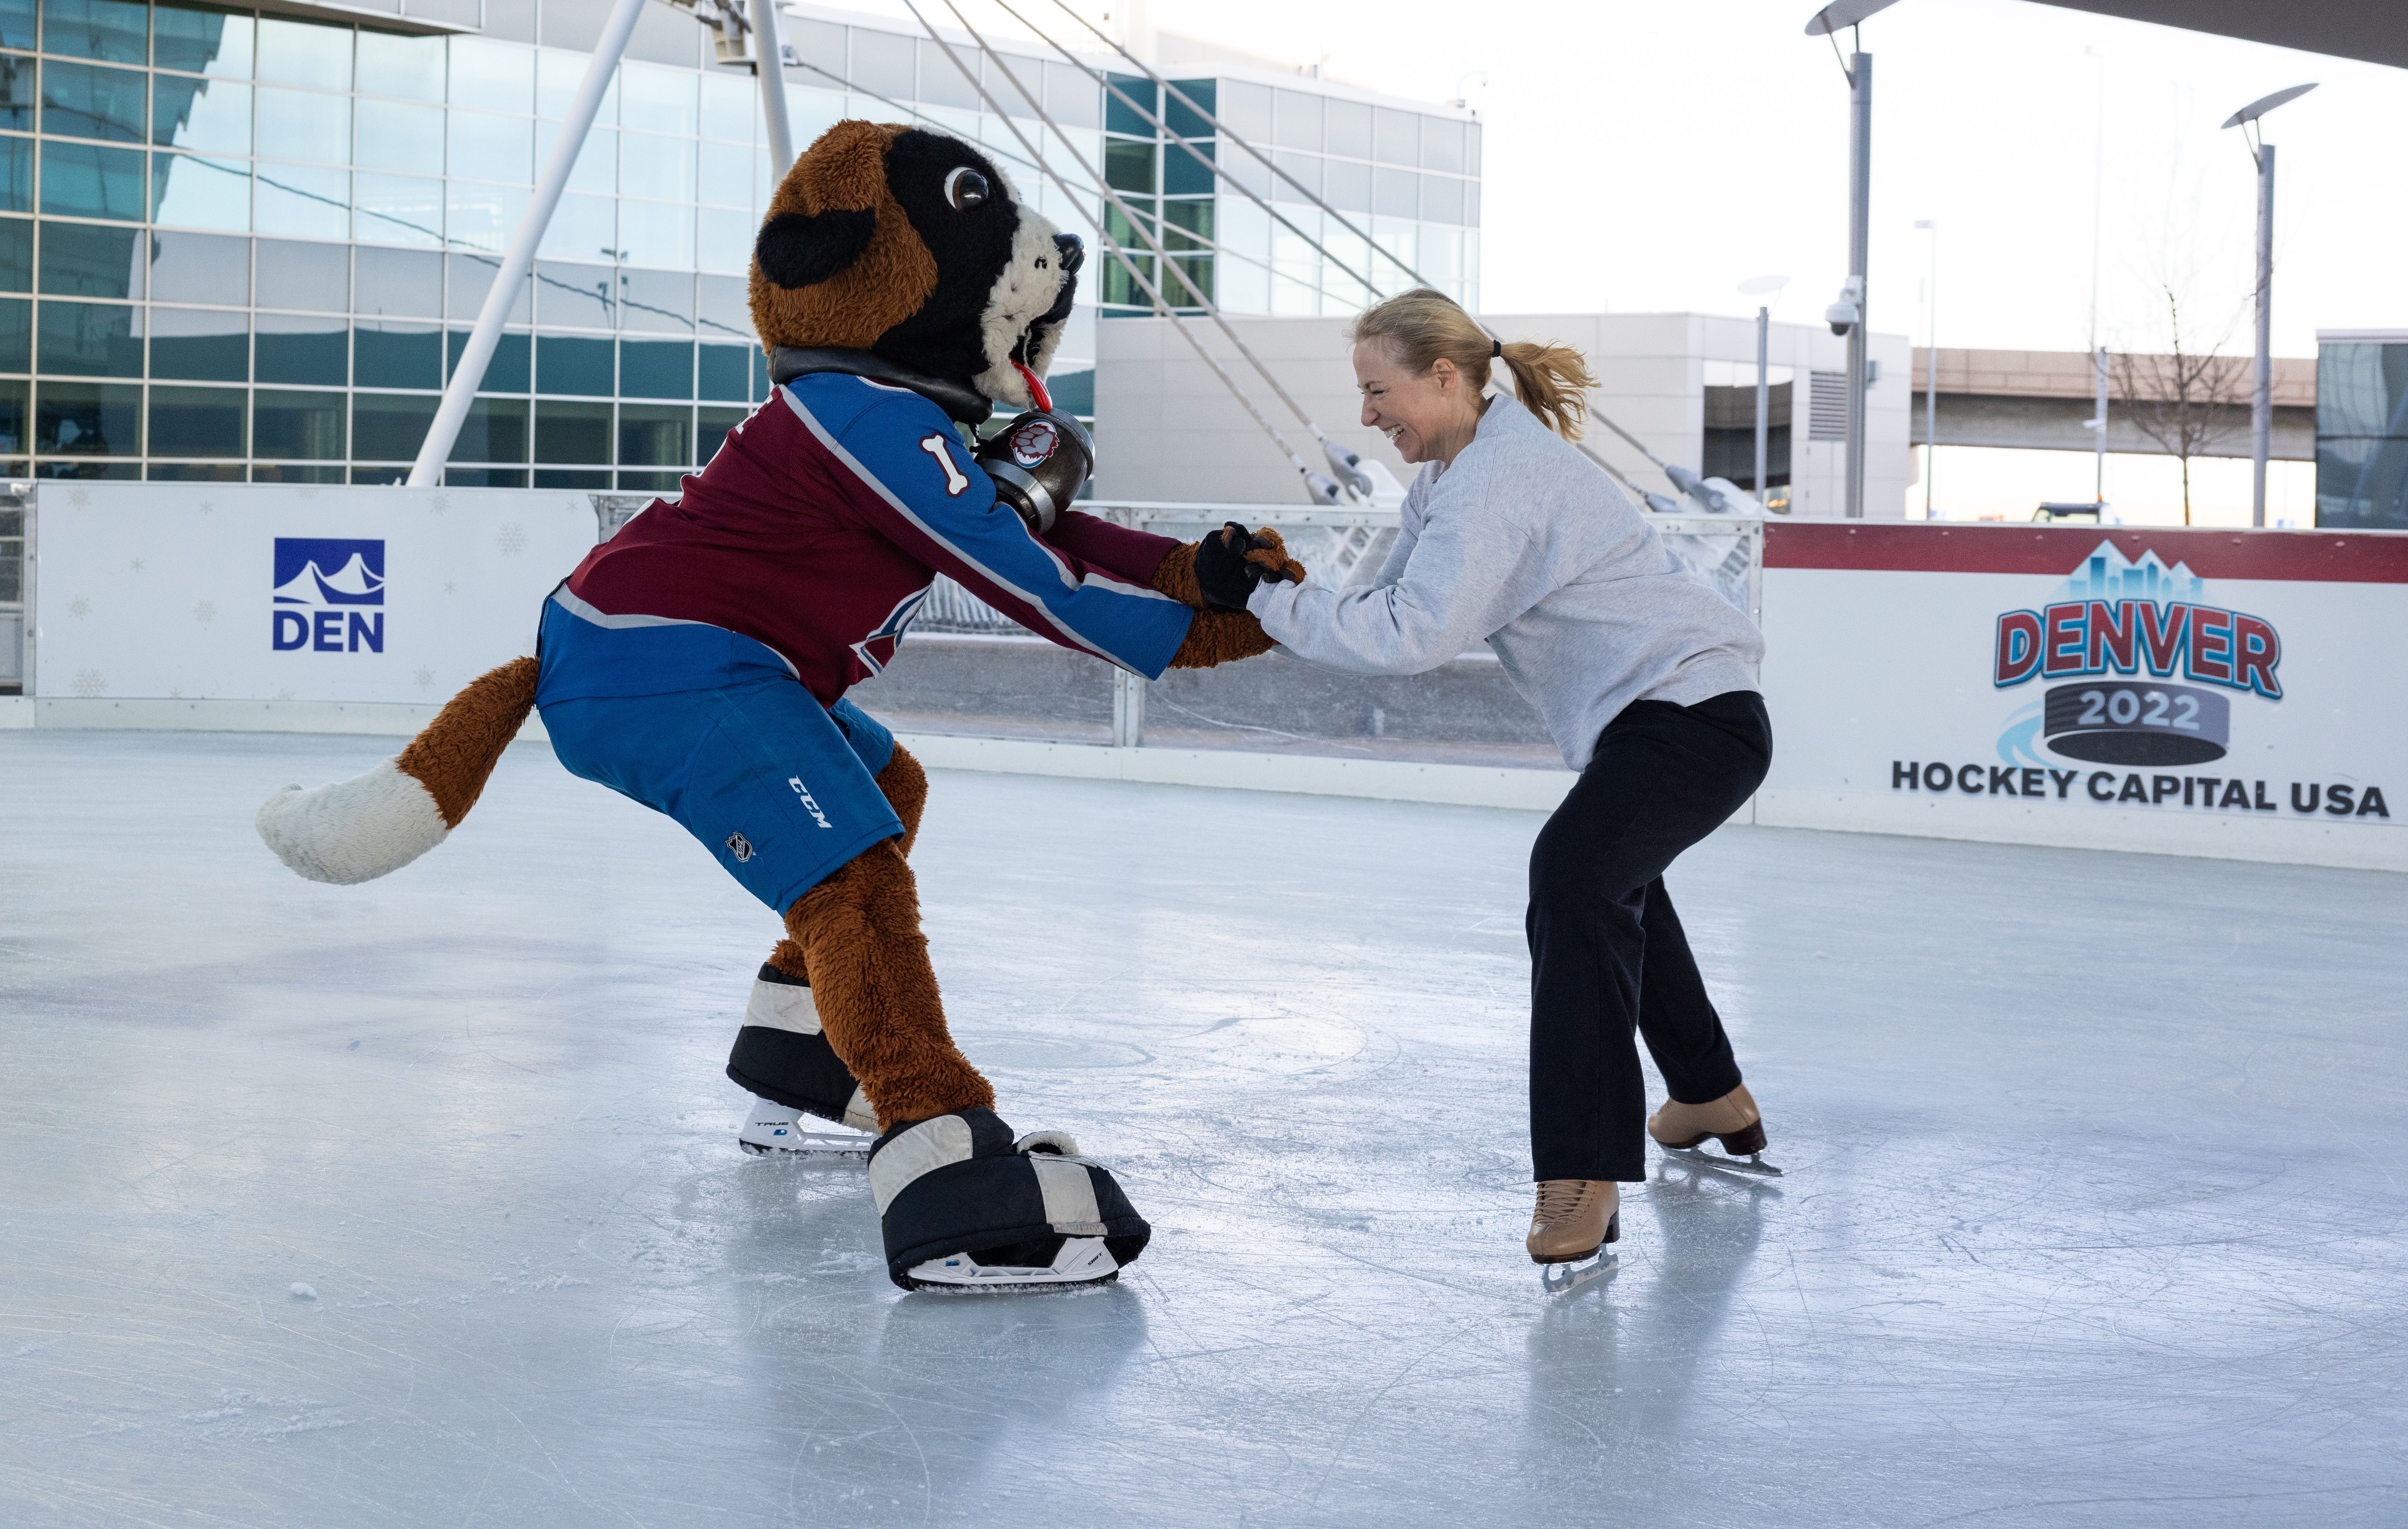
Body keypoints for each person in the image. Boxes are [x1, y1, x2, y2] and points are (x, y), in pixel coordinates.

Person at [1235, 289, 1774, 1272]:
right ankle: (1707, 1091)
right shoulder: (1455, 478)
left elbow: (1408, 636)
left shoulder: (1498, 479)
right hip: (1669, 721)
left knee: (1575, 878)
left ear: (1446, 377)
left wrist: (1271, 604)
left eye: (1378, 390)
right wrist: (1279, 582)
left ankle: (1582, 1171)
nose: (1367, 416)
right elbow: (1383, 600)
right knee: (1611, 883)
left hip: (1693, 717)